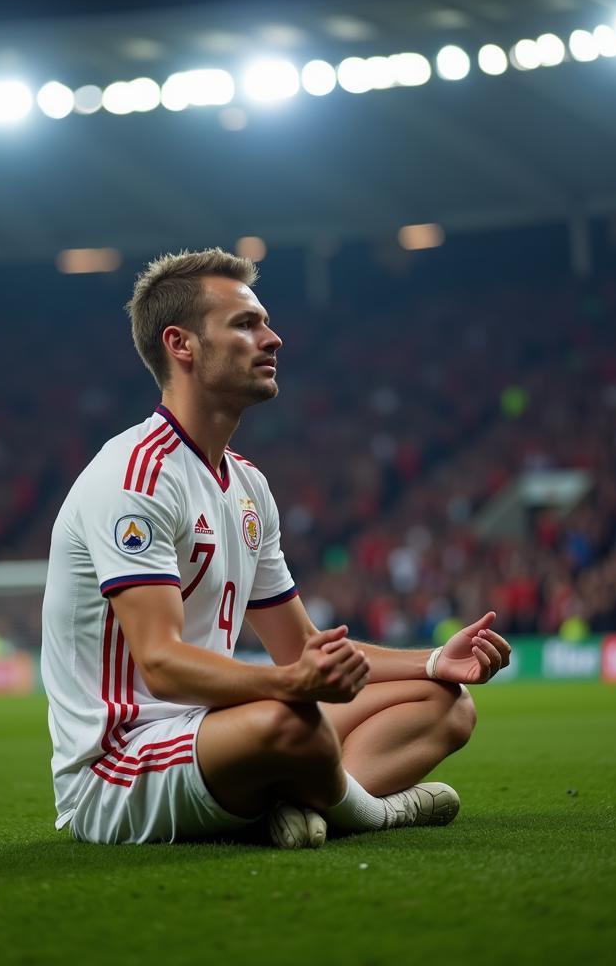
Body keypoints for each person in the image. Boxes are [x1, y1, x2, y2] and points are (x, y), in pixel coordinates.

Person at [41, 248, 512, 847]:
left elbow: (302, 650)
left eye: (264, 321)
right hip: (120, 767)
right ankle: (378, 812)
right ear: (181, 345)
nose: (273, 338)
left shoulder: (247, 486)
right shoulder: (135, 477)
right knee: (297, 724)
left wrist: (431, 660)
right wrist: (290, 686)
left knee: (446, 703)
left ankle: (293, 807)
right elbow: (160, 664)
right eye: (246, 324)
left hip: (214, 730)